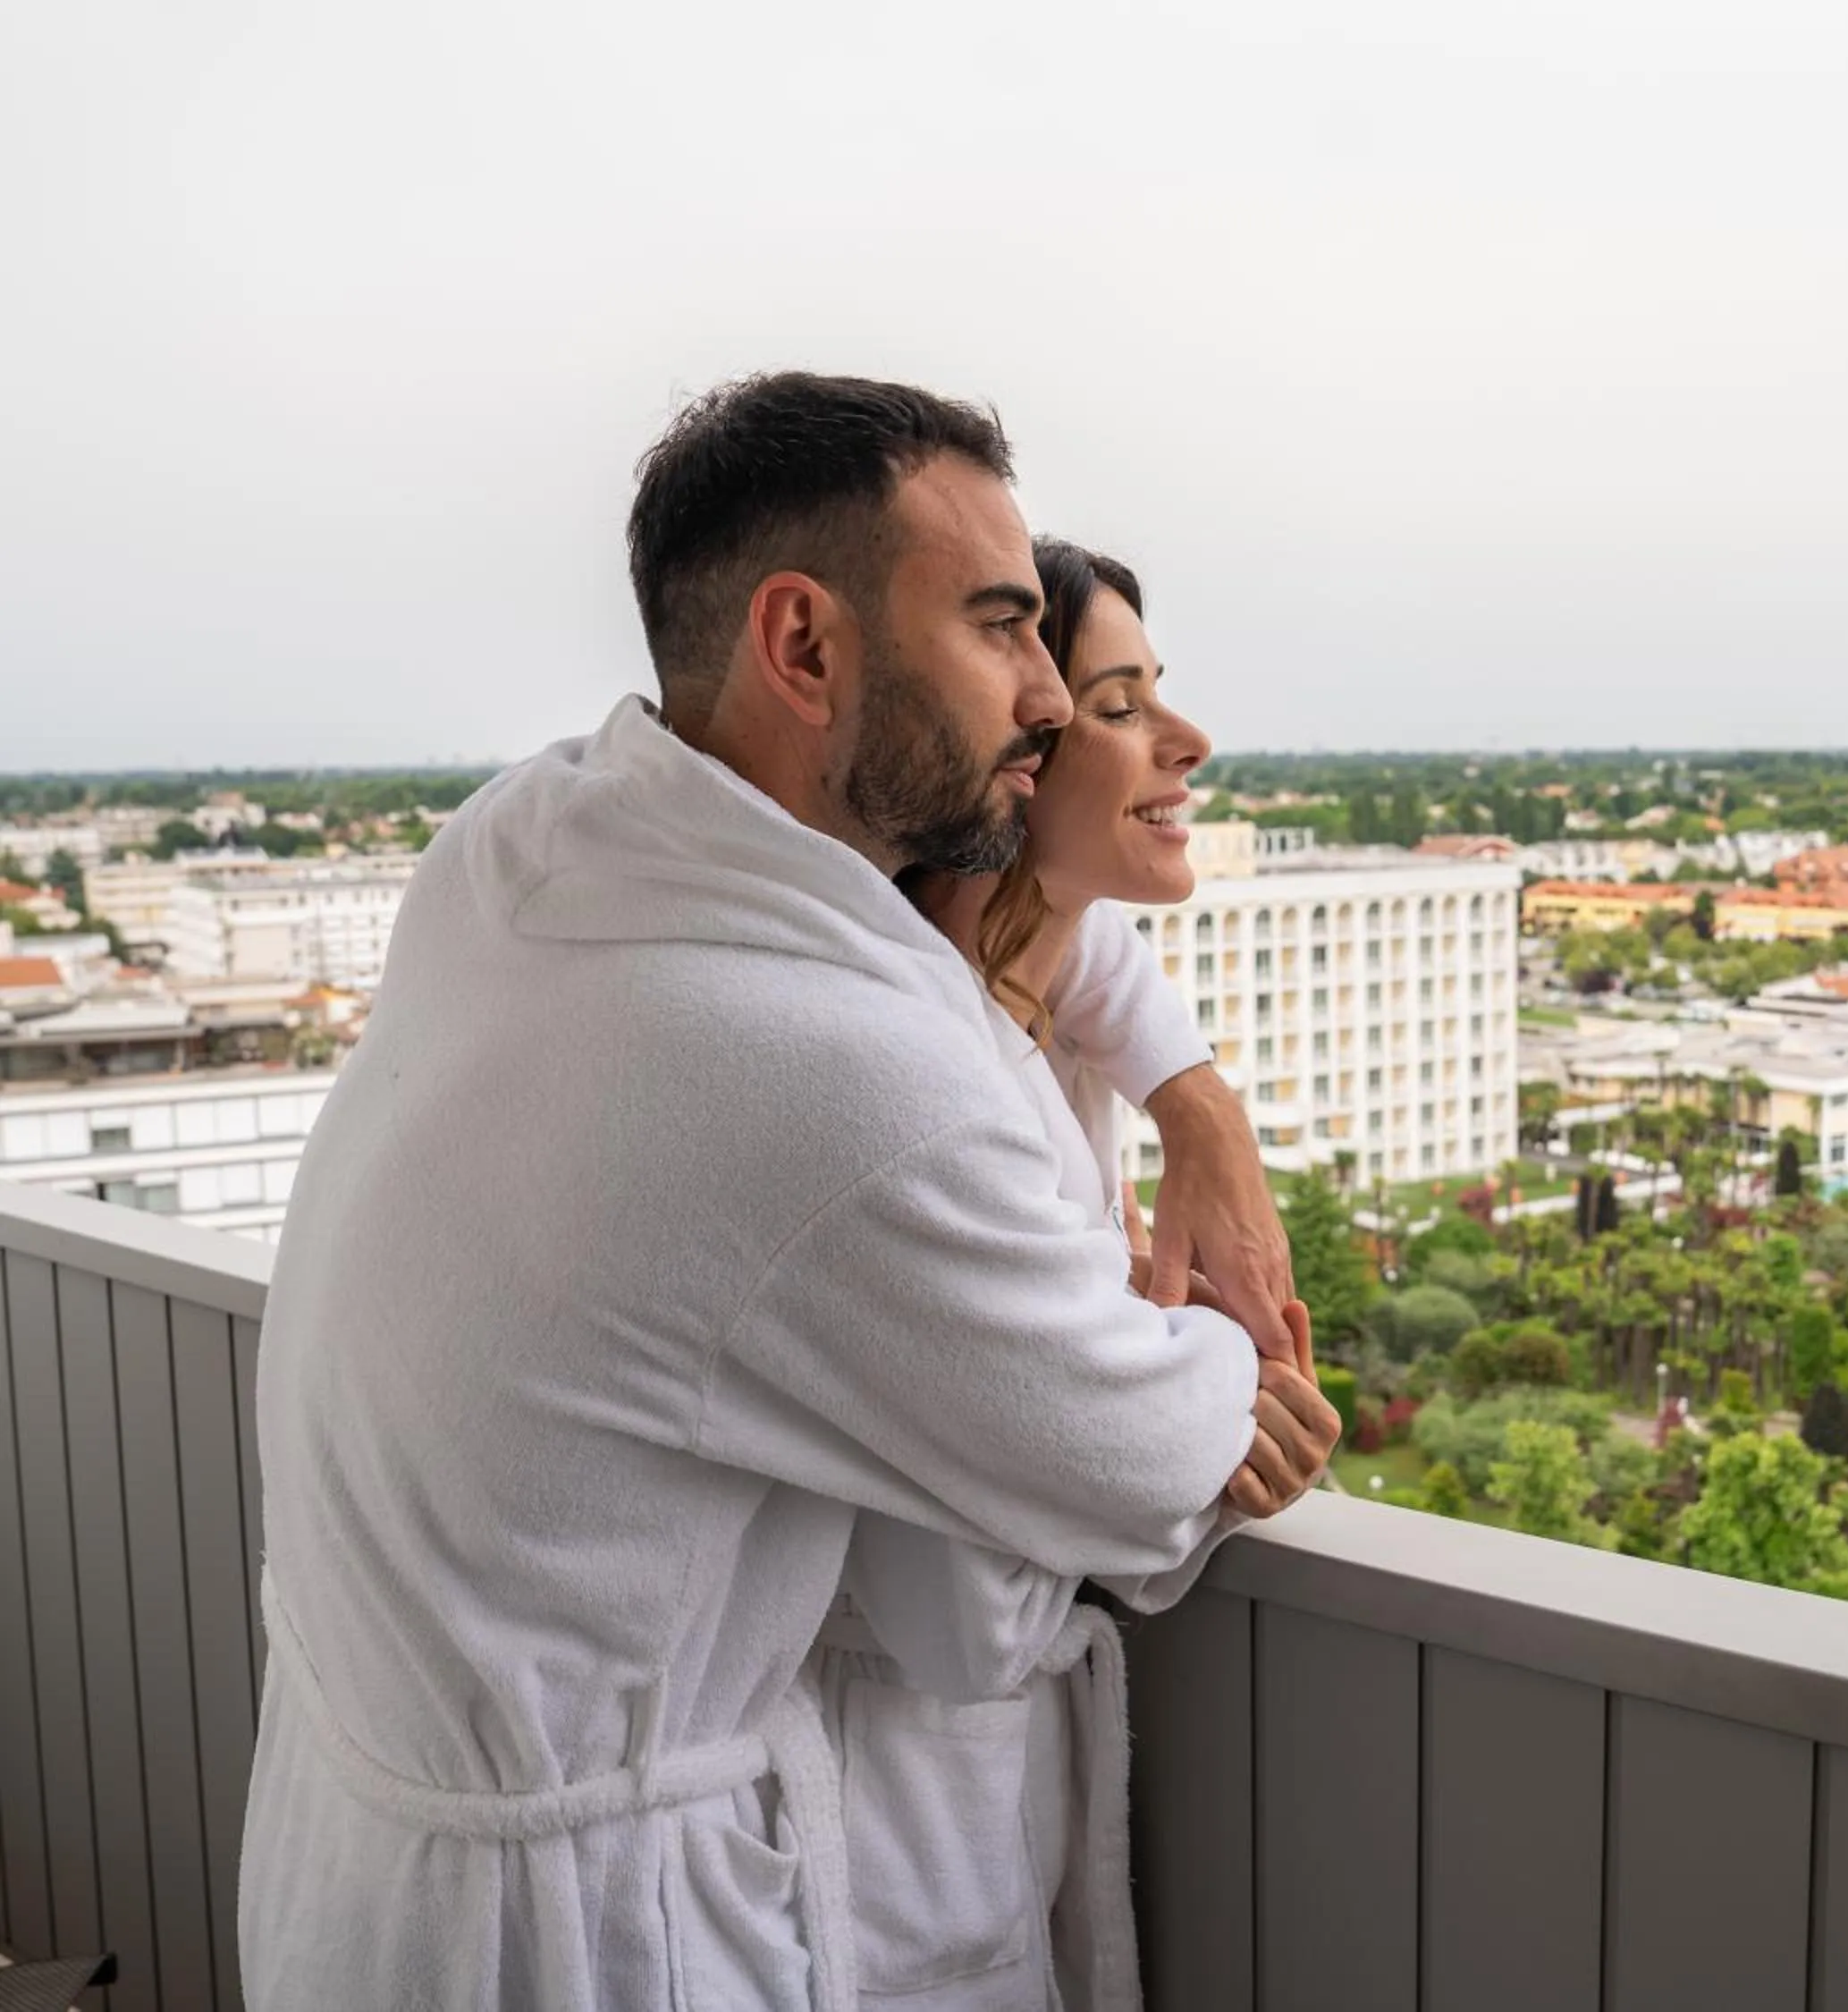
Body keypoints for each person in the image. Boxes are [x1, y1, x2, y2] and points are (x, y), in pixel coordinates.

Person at [240, 374, 1341, 2010]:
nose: (1045, 699)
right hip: (587, 1945)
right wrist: (1228, 1374)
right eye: (998, 629)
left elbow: (1032, 923)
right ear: (805, 645)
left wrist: (1199, 1104)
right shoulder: (816, 1062)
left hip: (354, 1857)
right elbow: (1136, 1457)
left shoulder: (535, 846)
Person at [817, 538, 1250, 2010]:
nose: (1187, 742)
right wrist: (1198, 1387)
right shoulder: (937, 1092)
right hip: (887, 1847)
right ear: (1019, 759)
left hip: (956, 1811)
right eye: (1120, 703)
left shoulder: (1039, 1012)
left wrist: (1202, 1100)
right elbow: (961, 1596)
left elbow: (1094, 956)